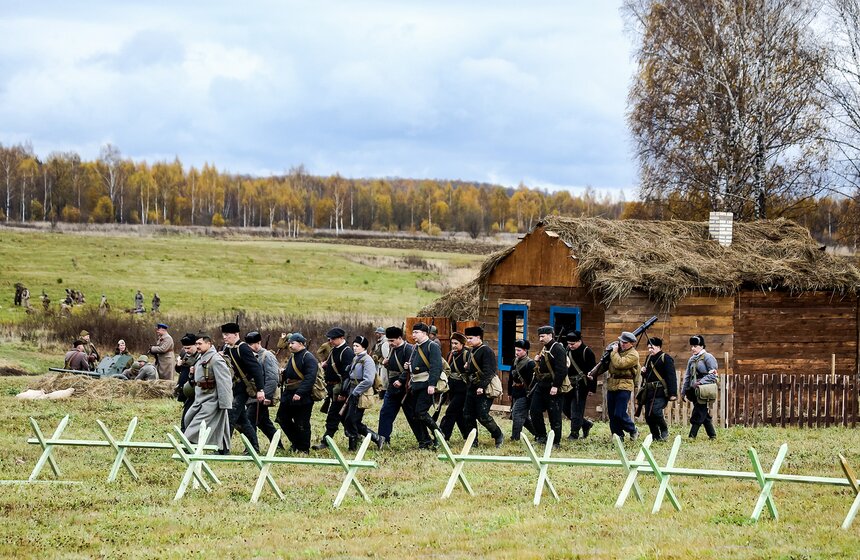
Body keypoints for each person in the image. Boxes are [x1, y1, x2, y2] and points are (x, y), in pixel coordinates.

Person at [184, 333, 233, 454]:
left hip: (212, 398)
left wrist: (225, 403)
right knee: (191, 418)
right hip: (201, 397)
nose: (197, 346)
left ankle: (188, 444)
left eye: (200, 343)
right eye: (196, 344)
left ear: (209, 344)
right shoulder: (201, 357)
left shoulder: (216, 359)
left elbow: (224, 381)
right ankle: (223, 449)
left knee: (199, 423)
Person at [221, 322, 266, 454]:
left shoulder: (243, 348)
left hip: (243, 389)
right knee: (242, 421)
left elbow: (256, 369)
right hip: (233, 388)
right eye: (223, 334)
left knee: (229, 417)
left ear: (236, 334)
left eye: (227, 334)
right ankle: (254, 448)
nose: (224, 337)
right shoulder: (227, 348)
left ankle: (223, 449)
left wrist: (260, 390)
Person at [312, 327, 355, 450]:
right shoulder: (334, 350)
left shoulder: (346, 352)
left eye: (333, 339)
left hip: (340, 389)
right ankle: (363, 438)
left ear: (341, 338)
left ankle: (326, 442)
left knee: (333, 417)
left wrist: (343, 393)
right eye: (329, 338)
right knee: (345, 418)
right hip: (332, 388)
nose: (330, 341)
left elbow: (347, 375)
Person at [462, 325, 505, 448]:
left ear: (479, 337)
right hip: (472, 387)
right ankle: (473, 441)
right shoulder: (472, 351)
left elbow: (489, 371)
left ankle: (498, 435)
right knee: (468, 415)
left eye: (471, 338)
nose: (468, 340)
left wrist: (481, 386)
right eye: (467, 338)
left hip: (483, 389)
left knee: (483, 416)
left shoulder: (486, 351)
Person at [403, 322, 443, 449]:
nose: (413, 335)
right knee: (416, 414)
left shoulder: (432, 346)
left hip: (426, 384)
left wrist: (432, 384)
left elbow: (436, 366)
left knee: (421, 412)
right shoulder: (416, 347)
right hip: (416, 385)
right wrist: (408, 367)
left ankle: (439, 435)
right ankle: (425, 441)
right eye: (413, 332)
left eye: (416, 332)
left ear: (424, 333)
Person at [376, 326, 417, 447]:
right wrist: (386, 363)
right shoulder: (392, 349)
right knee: (385, 413)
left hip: (405, 389)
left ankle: (424, 440)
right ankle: (383, 440)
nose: (390, 343)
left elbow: (409, 368)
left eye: (392, 340)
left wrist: (401, 380)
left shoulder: (408, 349)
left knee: (413, 416)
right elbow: (393, 366)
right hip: (392, 387)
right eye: (388, 340)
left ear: (399, 338)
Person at [276, 333, 318, 453]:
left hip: (302, 395)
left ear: (300, 344)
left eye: (292, 343)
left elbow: (310, 378)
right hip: (289, 393)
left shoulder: (308, 358)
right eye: (289, 343)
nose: (290, 345)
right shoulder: (294, 356)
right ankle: (296, 442)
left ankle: (303, 449)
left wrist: (300, 393)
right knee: (282, 418)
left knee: (302, 423)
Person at [343, 335, 383, 450]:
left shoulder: (367, 360)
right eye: (354, 345)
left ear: (364, 347)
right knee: (350, 419)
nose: (354, 348)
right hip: (352, 390)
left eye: (357, 346)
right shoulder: (356, 358)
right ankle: (376, 438)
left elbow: (368, 380)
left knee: (352, 420)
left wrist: (356, 392)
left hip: (361, 393)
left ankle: (355, 446)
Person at [530, 326, 566, 446]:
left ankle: (555, 441)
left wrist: (556, 386)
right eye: (539, 336)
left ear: (550, 335)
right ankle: (541, 436)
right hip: (542, 385)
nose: (540, 339)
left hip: (552, 386)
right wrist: (537, 360)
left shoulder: (558, 349)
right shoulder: (545, 348)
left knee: (554, 415)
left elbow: (562, 370)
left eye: (543, 336)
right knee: (534, 410)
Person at [244, 331, 281, 449]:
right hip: (252, 395)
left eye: (252, 344)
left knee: (249, 420)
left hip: (261, 395)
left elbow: (272, 378)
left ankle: (251, 448)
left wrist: (267, 396)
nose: (249, 347)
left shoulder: (267, 356)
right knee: (263, 422)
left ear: (258, 343)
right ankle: (278, 445)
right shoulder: (250, 356)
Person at [639, 337, 677, 441]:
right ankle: (655, 436)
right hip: (649, 391)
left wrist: (672, 393)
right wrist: (643, 372)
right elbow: (648, 376)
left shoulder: (666, 358)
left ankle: (664, 429)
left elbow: (671, 376)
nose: (650, 350)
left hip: (661, 392)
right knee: (648, 416)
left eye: (652, 347)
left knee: (656, 411)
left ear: (659, 347)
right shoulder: (648, 358)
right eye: (649, 348)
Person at [605, 331, 641, 440]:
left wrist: (614, 352)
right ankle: (617, 436)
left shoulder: (633, 354)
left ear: (632, 343)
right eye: (621, 341)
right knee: (612, 414)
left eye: (625, 342)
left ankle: (632, 429)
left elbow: (619, 364)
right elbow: (606, 364)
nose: (622, 344)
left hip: (625, 385)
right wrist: (593, 374)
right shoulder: (617, 351)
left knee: (619, 413)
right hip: (612, 384)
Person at [439, 332, 474, 443]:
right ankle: (467, 435)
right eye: (452, 343)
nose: (453, 345)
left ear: (462, 344)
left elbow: (473, 371)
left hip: (463, 389)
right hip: (452, 388)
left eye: (456, 343)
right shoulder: (450, 354)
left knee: (450, 411)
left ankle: (444, 435)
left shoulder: (467, 354)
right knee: (458, 414)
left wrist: (468, 368)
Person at [682, 335, 718, 440]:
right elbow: (687, 376)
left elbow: (713, 375)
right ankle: (712, 435)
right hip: (694, 390)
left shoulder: (708, 357)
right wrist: (683, 391)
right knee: (703, 413)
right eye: (692, 346)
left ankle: (692, 436)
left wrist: (700, 382)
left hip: (704, 390)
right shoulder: (692, 359)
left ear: (702, 346)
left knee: (699, 411)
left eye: (695, 346)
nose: (692, 348)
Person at [566, 331, 597, 439]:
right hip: (569, 384)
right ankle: (585, 424)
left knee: (577, 409)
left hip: (582, 385)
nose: (570, 346)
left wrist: (592, 388)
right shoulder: (567, 350)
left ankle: (574, 433)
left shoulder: (587, 352)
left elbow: (593, 372)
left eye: (572, 344)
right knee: (565, 408)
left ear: (579, 341)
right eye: (569, 344)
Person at [509, 339, 535, 441]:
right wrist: (510, 393)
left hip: (525, 393)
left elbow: (532, 382)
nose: (516, 352)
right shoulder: (514, 361)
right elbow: (511, 378)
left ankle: (515, 437)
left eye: (519, 350)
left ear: (525, 350)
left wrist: (530, 396)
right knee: (524, 417)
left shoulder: (530, 364)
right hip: (515, 391)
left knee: (517, 414)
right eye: (516, 350)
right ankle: (538, 434)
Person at [175, 333, 199, 430]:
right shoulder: (184, 354)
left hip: (194, 390)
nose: (186, 350)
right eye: (185, 348)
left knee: (188, 416)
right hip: (185, 389)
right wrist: (178, 365)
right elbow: (179, 370)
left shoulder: (200, 356)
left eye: (189, 348)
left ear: (195, 345)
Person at [370, 326, 390, 400]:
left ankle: (383, 396)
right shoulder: (379, 341)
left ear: (381, 333)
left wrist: (380, 360)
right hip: (379, 364)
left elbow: (386, 355)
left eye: (377, 333)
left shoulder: (385, 342)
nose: (376, 334)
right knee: (380, 380)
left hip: (384, 365)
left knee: (384, 381)